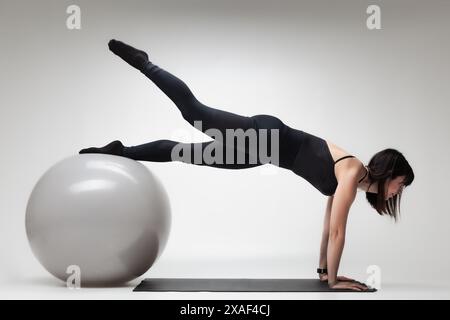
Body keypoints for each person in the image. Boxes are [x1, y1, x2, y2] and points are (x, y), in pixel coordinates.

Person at [79, 40, 415, 291]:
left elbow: (328, 229)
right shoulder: (354, 170)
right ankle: (145, 63)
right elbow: (340, 231)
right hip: (267, 136)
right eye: (402, 183)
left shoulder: (352, 182)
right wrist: (333, 283)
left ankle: (120, 152)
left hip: (263, 151)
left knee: (183, 153)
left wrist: (324, 273)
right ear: (391, 174)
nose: (400, 190)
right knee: (194, 112)